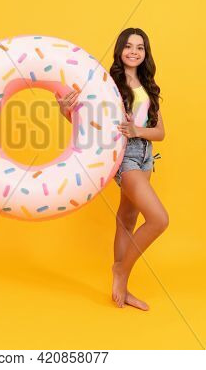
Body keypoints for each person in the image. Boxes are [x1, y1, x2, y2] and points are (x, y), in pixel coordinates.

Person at [55, 28, 169, 311]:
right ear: (119, 50)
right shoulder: (109, 84)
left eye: (140, 47)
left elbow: (160, 132)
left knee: (127, 219)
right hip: (126, 156)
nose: (134, 51)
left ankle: (123, 287)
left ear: (146, 53)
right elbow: (91, 125)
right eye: (128, 46)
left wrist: (137, 129)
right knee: (159, 219)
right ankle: (120, 270)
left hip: (146, 157)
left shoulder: (148, 85)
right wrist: (64, 110)